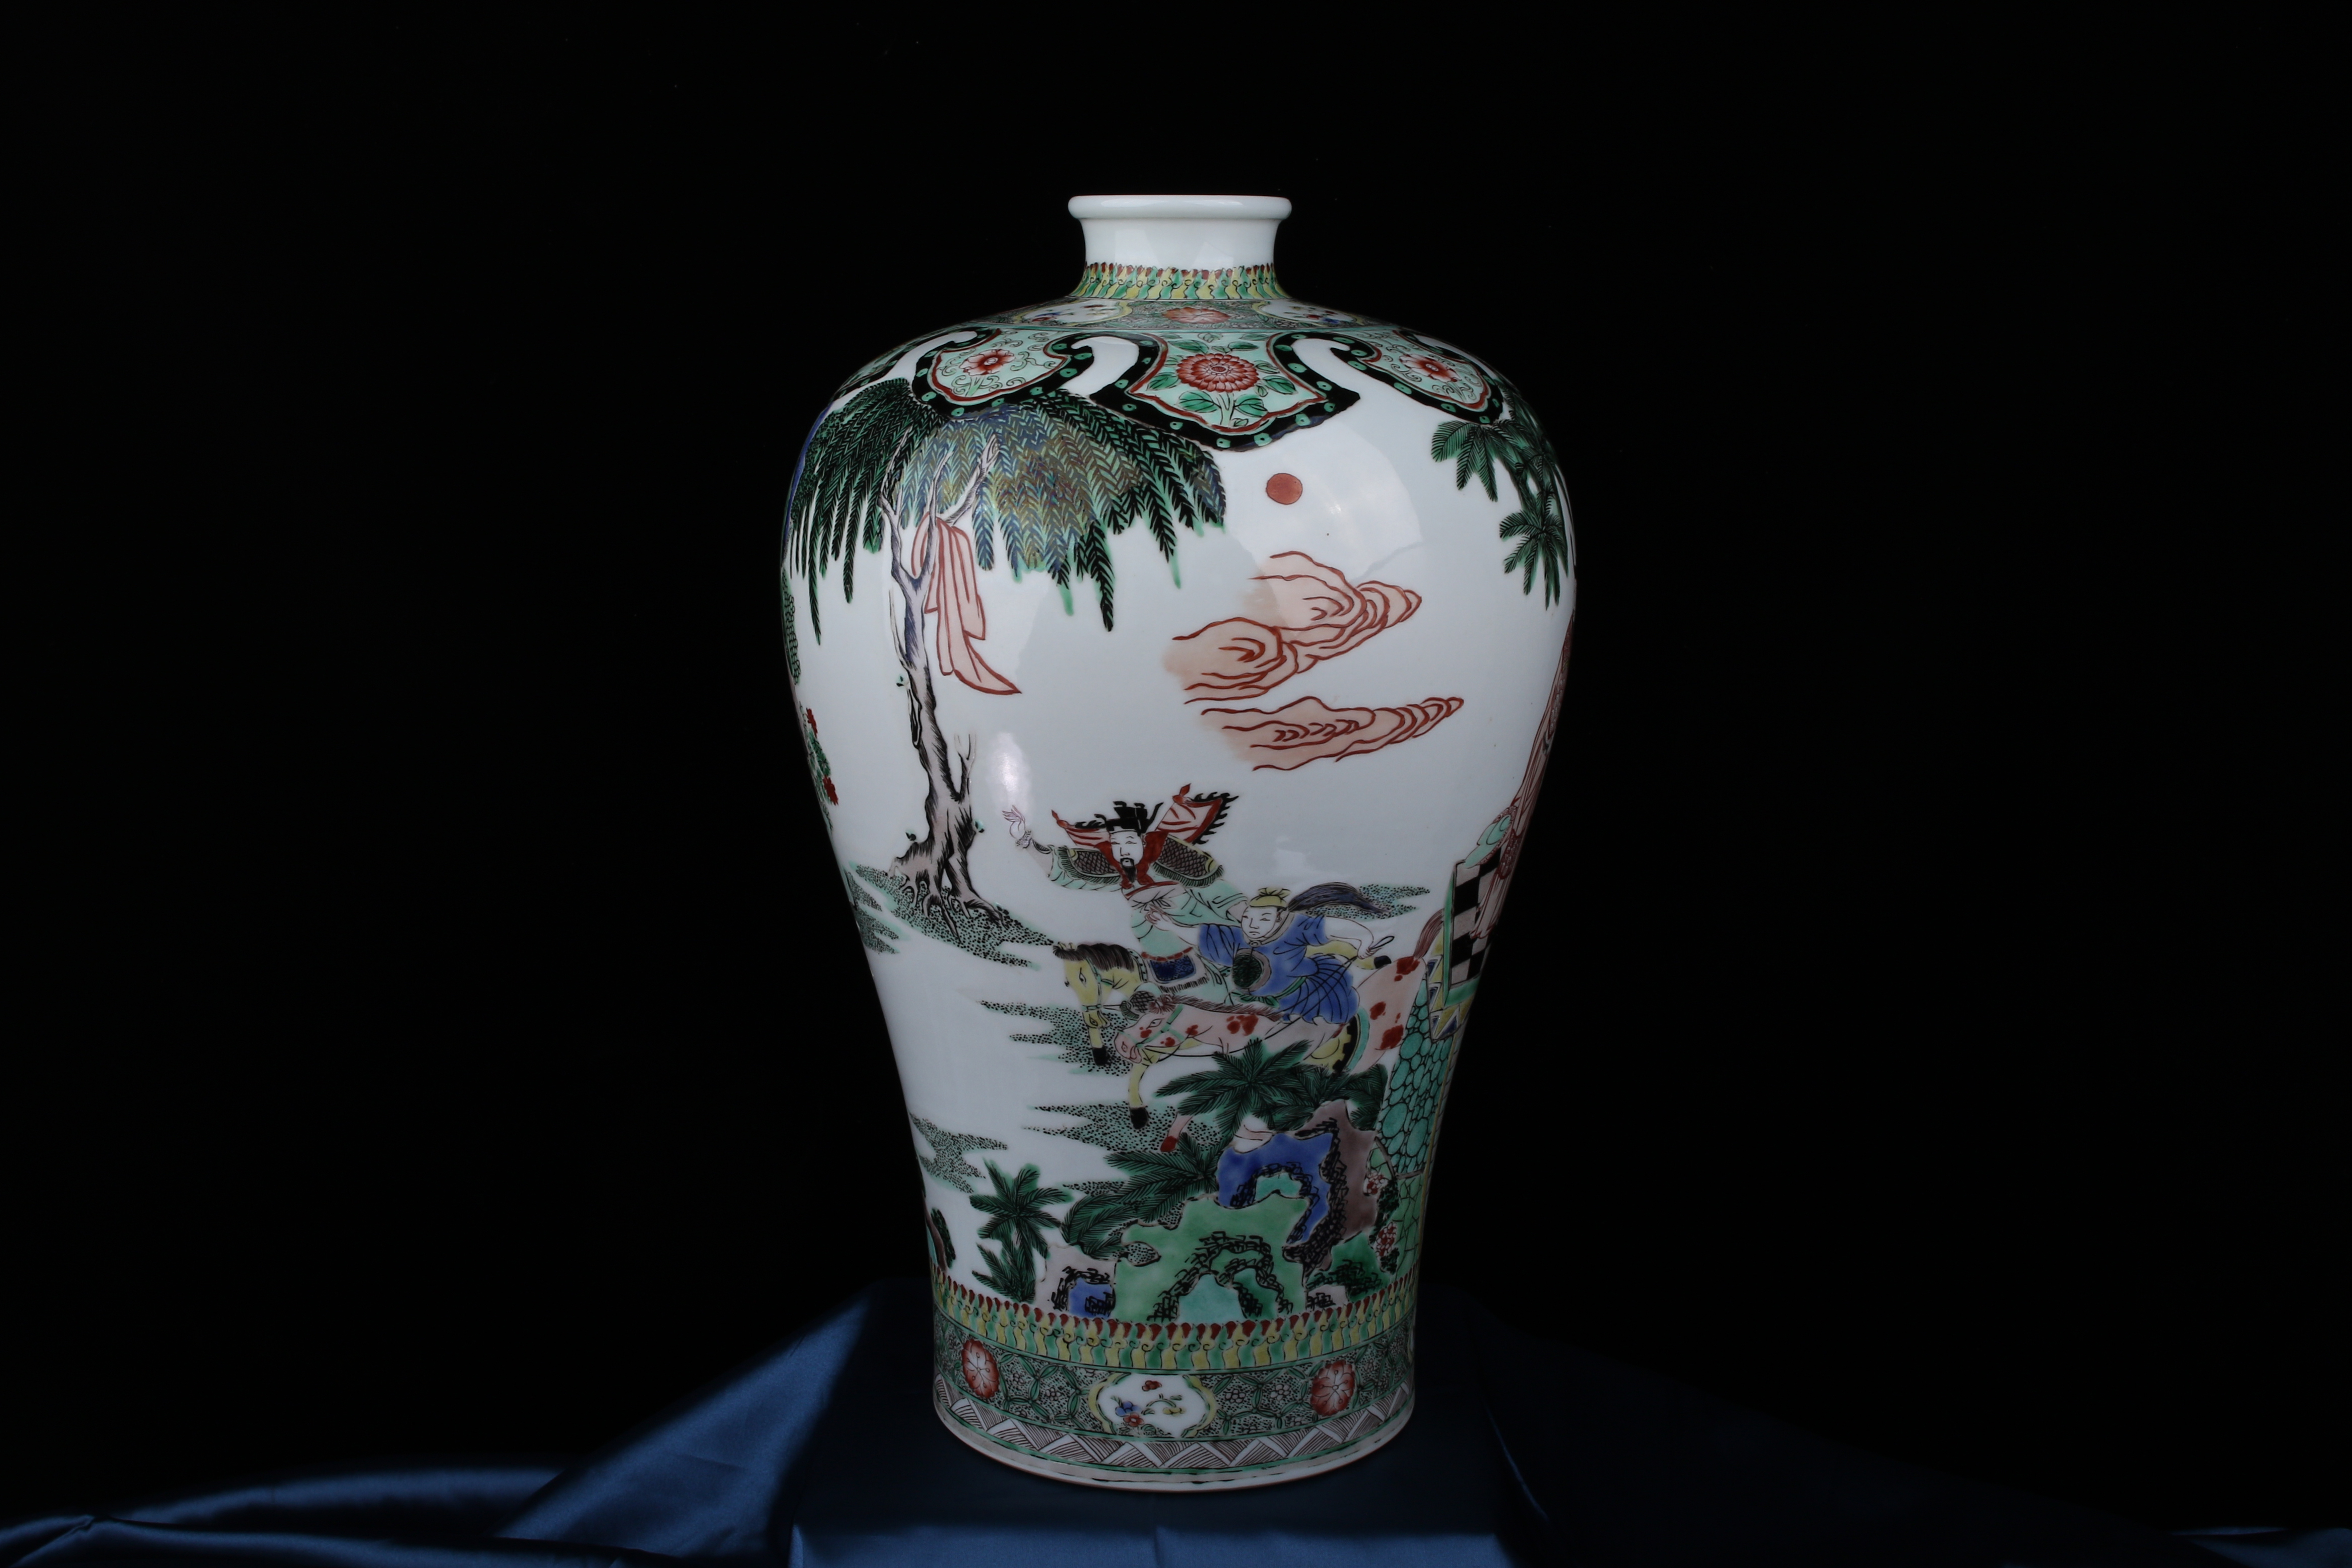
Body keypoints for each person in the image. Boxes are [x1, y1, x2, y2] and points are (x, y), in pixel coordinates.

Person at [1002, 786, 1243, 990]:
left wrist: (1242, 915)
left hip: (1202, 918)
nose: (1122, 849)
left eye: (1129, 841)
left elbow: (1213, 886)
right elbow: (1067, 870)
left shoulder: (1169, 854)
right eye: (1116, 844)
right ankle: (1178, 977)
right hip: (1159, 929)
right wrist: (1026, 841)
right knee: (1141, 921)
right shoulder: (1114, 866)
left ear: (1143, 840)